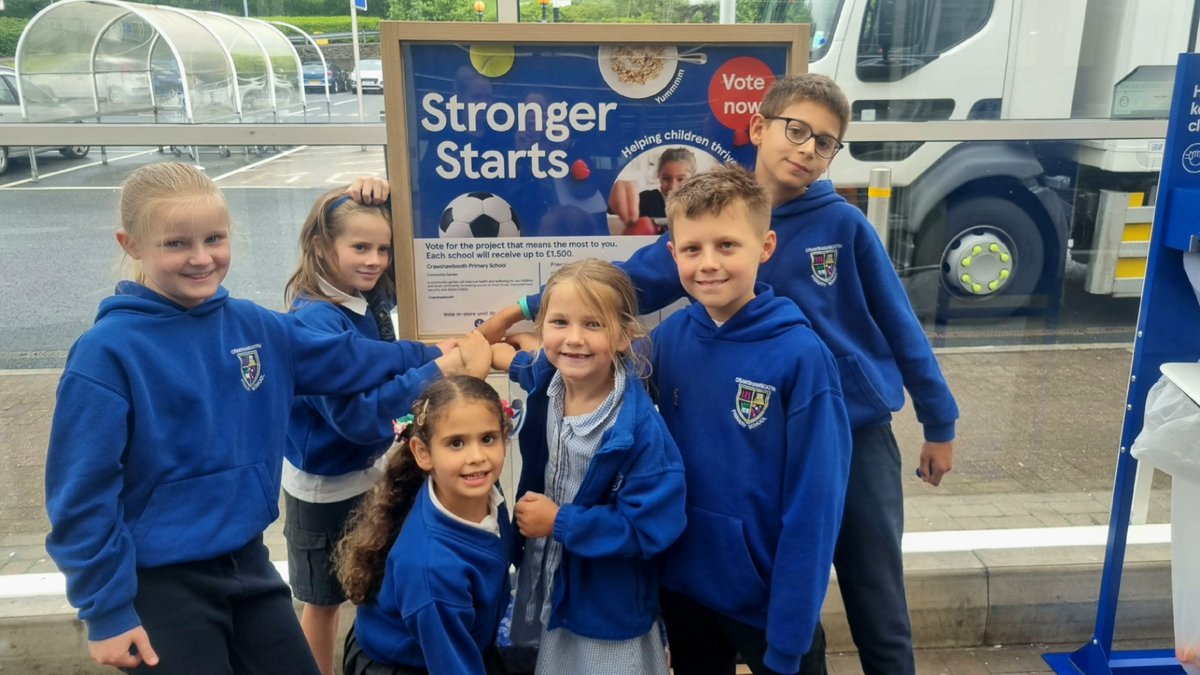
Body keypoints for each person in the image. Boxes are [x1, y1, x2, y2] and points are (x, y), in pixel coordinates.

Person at [481, 73, 960, 675]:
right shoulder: (706, 227)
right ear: (759, 128)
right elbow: (612, 290)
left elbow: (900, 326)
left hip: (855, 435)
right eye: (797, 130)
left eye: (825, 142)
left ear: (764, 247)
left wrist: (938, 419)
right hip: (742, 450)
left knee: (876, 597)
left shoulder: (845, 227)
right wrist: (527, 319)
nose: (808, 148)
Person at [43, 161, 491, 674]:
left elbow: (350, 358)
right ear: (132, 245)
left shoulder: (255, 326)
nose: (200, 258)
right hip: (159, 583)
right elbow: (80, 496)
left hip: (249, 564)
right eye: (175, 244)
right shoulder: (106, 354)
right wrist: (105, 611)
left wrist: (434, 357)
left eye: (214, 238)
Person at [646, 165, 851, 675]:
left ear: (766, 246)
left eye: (727, 246)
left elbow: (816, 506)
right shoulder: (669, 342)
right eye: (692, 249)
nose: (708, 264)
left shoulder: (801, 357)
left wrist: (789, 634)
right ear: (673, 254)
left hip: (769, 607)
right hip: (685, 592)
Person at [282, 183, 464, 675]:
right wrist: (437, 371)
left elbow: (412, 267)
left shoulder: (360, 294)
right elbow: (358, 420)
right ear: (321, 247)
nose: (376, 260)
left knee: (366, 580)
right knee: (323, 602)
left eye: (383, 248)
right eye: (359, 247)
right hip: (324, 488)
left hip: (366, 473)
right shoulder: (315, 321)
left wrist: (371, 186)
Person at [490, 259, 687, 675]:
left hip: (607, 610)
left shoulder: (640, 433)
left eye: (593, 325)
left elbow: (650, 527)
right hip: (552, 590)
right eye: (559, 322)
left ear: (622, 336)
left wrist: (560, 522)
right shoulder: (547, 381)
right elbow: (526, 365)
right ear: (541, 330)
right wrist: (486, 348)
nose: (573, 339)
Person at [337, 376, 514, 675]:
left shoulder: (484, 490)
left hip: (459, 641)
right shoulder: (432, 569)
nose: (477, 457)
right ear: (423, 452)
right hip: (408, 664)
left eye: (488, 438)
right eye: (456, 443)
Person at [609, 146, 698, 233]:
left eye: (681, 179)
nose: (673, 187)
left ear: (693, 179)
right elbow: (612, 209)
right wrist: (612, 194)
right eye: (666, 179)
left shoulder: (702, 205)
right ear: (658, 176)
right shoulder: (645, 200)